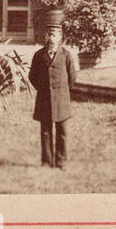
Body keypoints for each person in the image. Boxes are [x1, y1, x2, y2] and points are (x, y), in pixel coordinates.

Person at [29, 28, 77, 168]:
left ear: (60, 37)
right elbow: (32, 76)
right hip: (44, 99)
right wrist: (44, 89)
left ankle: (61, 161)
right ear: (45, 36)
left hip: (61, 99)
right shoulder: (38, 55)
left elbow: (72, 77)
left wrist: (62, 91)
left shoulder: (66, 55)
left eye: (54, 35)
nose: (51, 38)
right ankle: (46, 161)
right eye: (48, 34)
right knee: (45, 131)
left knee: (62, 131)